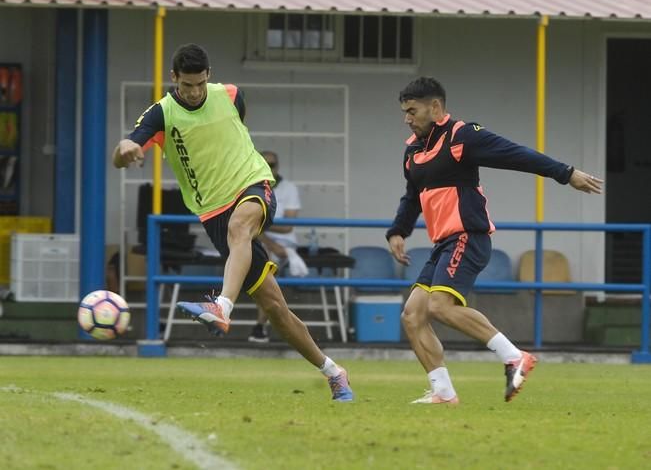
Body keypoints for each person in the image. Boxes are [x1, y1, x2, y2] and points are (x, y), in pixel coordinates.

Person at [112, 43, 353, 402]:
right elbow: (123, 152)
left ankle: (221, 307)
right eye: (186, 85)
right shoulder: (160, 114)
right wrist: (126, 150)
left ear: (208, 76)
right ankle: (333, 371)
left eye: (199, 84)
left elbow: (235, 133)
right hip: (212, 212)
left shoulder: (231, 95)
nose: (193, 92)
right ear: (174, 78)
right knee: (275, 308)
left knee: (240, 227)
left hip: (253, 185)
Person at [386, 77, 603, 404]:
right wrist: (398, 230)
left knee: (439, 306)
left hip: (467, 236)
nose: (407, 118)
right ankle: (443, 392)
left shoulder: (462, 136)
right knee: (413, 315)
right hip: (443, 243)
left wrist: (566, 173)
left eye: (412, 110)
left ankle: (514, 356)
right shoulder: (413, 150)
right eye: (404, 112)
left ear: (435, 107)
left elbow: (517, 155)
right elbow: (412, 196)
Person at [249, 150, 308, 343]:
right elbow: (249, 224)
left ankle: (261, 325)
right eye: (265, 163)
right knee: (265, 269)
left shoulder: (289, 188)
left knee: (267, 271)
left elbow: (288, 225)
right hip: (258, 240)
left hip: (282, 242)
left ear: (278, 166)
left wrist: (261, 224)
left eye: (272, 164)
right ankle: (261, 325)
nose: (269, 168)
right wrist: (268, 238)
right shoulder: (251, 185)